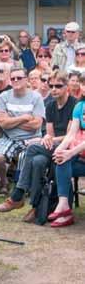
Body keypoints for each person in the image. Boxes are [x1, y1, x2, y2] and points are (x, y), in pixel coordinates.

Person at [0, 71, 76, 222]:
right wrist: (46, 138)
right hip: (52, 146)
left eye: (58, 86)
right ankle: (36, 207)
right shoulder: (51, 105)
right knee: (37, 161)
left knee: (32, 148)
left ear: (67, 87)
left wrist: (46, 140)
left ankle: (18, 194)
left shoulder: (74, 104)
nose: (54, 89)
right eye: (51, 86)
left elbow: (70, 136)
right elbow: (49, 133)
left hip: (68, 147)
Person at [0, 67, 45, 197]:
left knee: (25, 157)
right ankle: (4, 183)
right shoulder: (4, 96)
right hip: (9, 137)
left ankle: (21, 188)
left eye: (19, 78)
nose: (16, 80)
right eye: (13, 78)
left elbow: (36, 124)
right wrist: (24, 118)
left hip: (32, 137)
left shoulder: (36, 97)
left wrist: (10, 120)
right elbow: (1, 123)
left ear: (26, 80)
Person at [48, 74, 85, 227]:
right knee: (61, 159)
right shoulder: (80, 106)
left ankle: (64, 209)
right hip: (81, 157)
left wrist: (71, 152)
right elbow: (71, 134)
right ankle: (64, 206)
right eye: (83, 85)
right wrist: (61, 150)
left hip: (80, 153)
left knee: (67, 156)